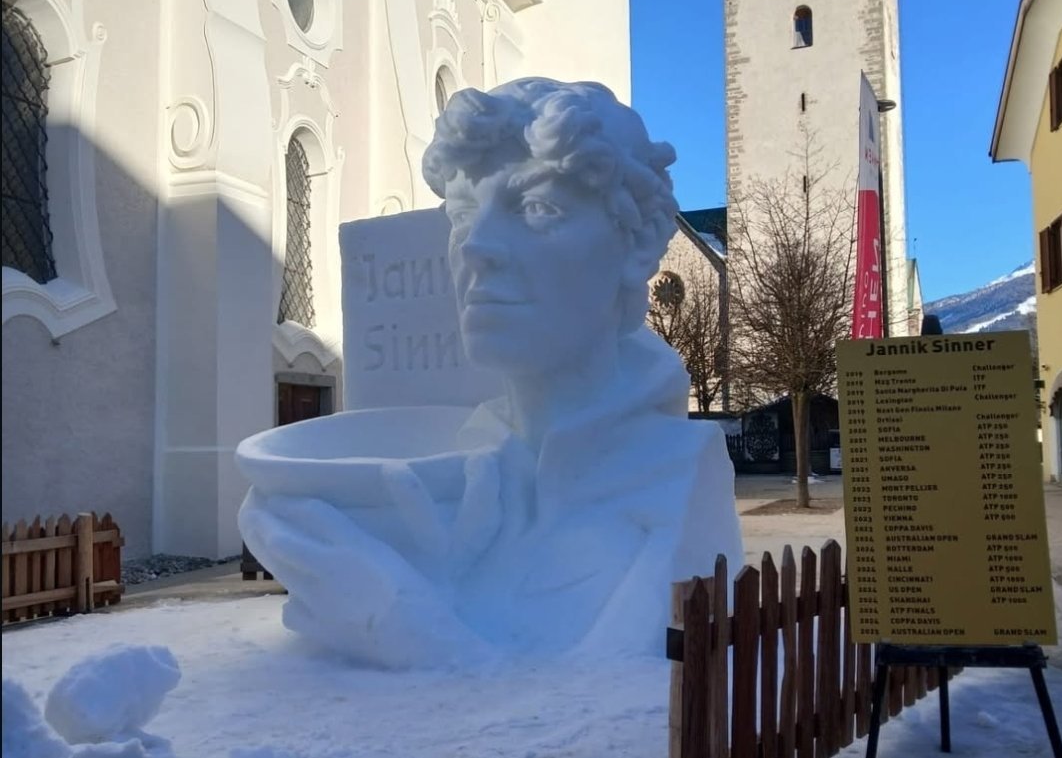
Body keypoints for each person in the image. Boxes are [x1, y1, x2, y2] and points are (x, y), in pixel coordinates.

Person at [238, 78, 742, 667]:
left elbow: (610, 709)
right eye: (463, 212)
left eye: (538, 208)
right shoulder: (471, 462)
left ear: (636, 245)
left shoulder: (677, 476)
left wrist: (400, 621)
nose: (476, 246)